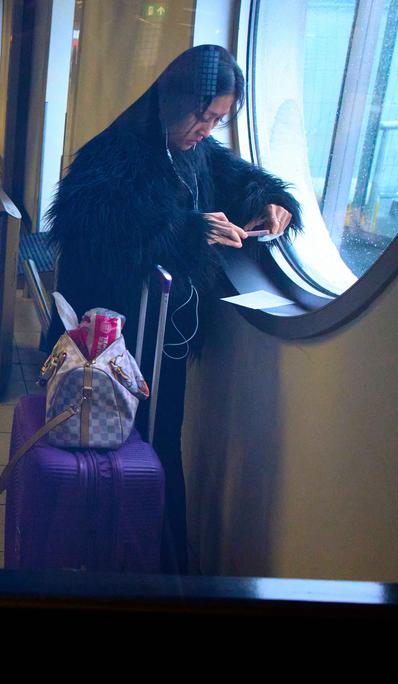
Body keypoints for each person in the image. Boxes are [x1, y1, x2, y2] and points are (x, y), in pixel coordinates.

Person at [45, 45, 301, 574]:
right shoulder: (112, 152)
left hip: (165, 338)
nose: (207, 130)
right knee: (105, 444)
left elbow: (242, 180)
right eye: (202, 116)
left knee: (161, 444)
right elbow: (94, 236)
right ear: (174, 100)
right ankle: (106, 562)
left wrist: (272, 204)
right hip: (108, 342)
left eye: (219, 120)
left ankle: (156, 565)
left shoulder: (196, 150)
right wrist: (188, 231)